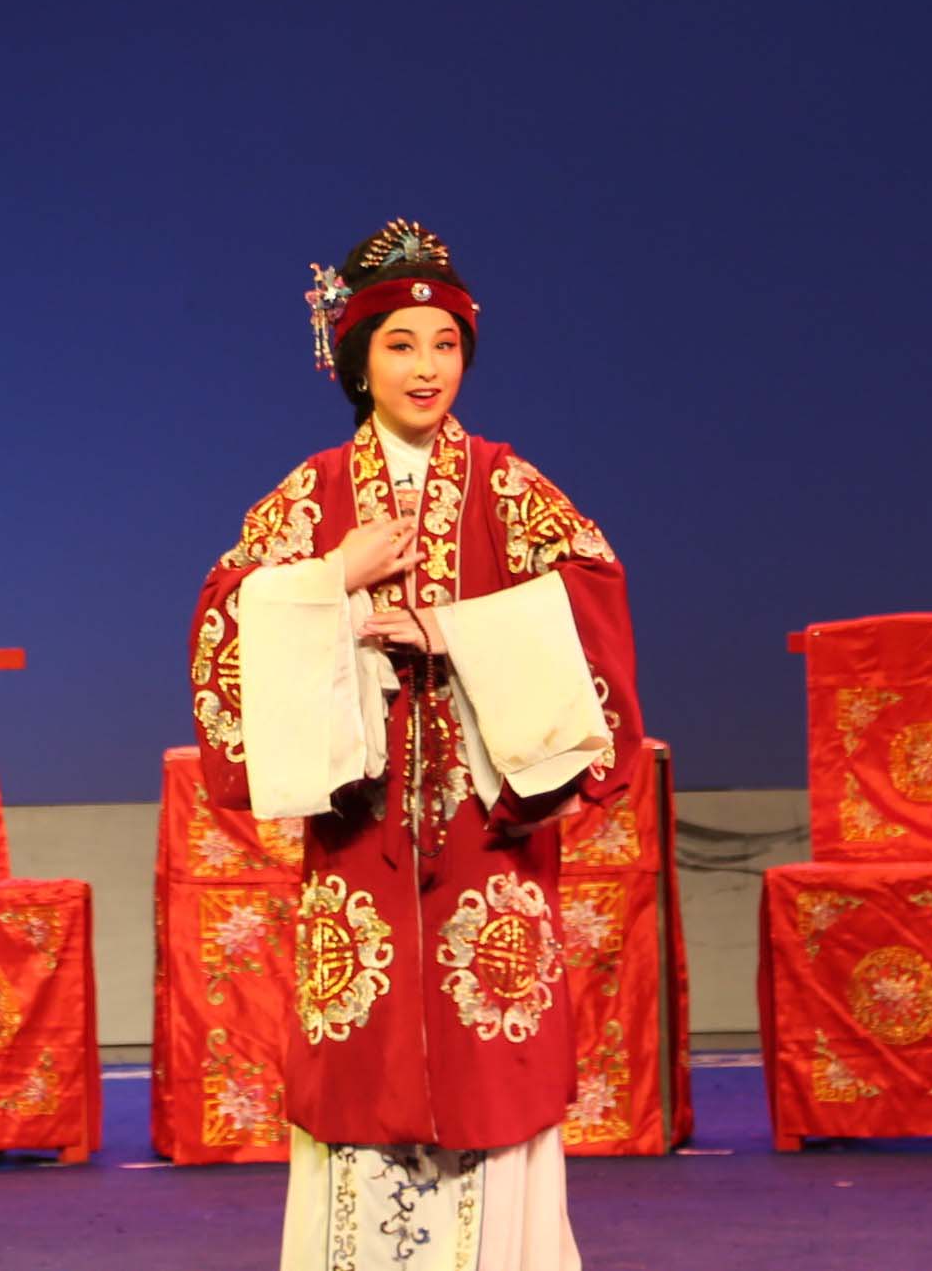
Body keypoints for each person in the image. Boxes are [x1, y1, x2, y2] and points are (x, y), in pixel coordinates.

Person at [187, 219, 642, 1271]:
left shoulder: (508, 485)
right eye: (400, 344)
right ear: (358, 360)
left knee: (490, 1063)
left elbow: (593, 596)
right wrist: (330, 580)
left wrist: (451, 630)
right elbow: (222, 616)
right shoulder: (312, 494)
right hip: (362, 838)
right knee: (365, 1063)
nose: (426, 367)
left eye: (445, 344)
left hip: (489, 833)